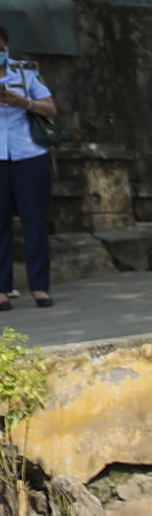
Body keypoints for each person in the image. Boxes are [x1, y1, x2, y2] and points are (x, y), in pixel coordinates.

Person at [0, 27, 56, 309]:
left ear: (6, 47)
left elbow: (51, 109)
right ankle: (1, 289)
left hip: (29, 154)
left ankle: (39, 287)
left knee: (34, 221)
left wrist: (25, 102)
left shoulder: (25, 73)